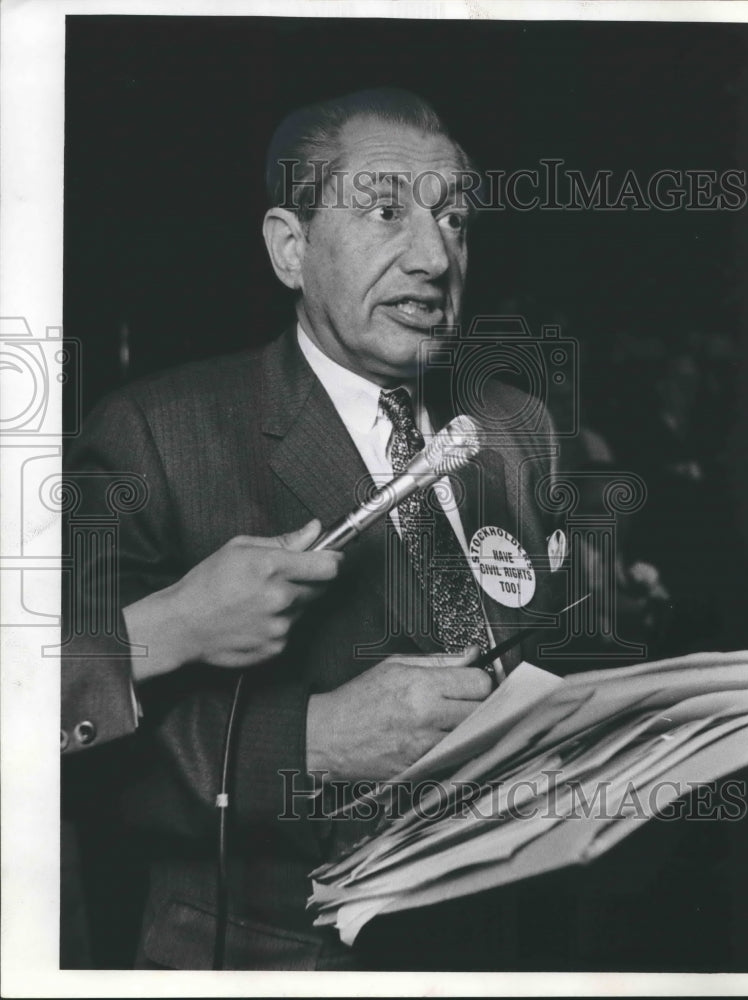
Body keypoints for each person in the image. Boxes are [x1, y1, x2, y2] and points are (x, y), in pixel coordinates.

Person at [63, 88, 567, 970]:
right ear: (289, 249)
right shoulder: (157, 432)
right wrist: (312, 741)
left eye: (454, 220)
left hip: (499, 945)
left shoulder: (517, 427)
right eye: (383, 212)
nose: (433, 255)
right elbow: (67, 745)